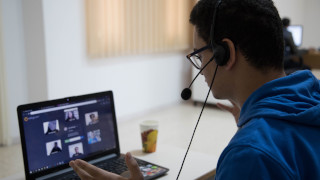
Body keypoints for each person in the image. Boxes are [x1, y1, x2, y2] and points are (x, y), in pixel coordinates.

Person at [70, 0, 320, 179]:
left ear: (226, 54)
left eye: (200, 57)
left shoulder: (251, 155)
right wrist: (252, 124)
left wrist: (255, 136)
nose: (200, 69)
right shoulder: (310, 101)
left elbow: (262, 156)